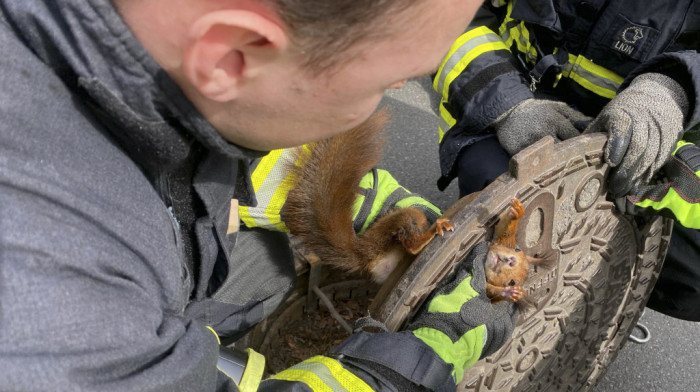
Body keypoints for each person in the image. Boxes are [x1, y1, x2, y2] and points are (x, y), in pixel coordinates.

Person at [0, 0, 518, 391]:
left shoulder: (147, 46)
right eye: (385, 82)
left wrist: (361, 206)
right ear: (230, 54)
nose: (399, 90)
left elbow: (241, 150)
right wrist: (415, 362)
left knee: (268, 267)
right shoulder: (55, 313)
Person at [434, 0, 700, 321]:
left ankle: (599, 285)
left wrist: (675, 89)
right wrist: (508, 105)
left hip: (657, 130)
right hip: (523, 100)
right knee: (509, 205)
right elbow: (445, 11)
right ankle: (494, 303)